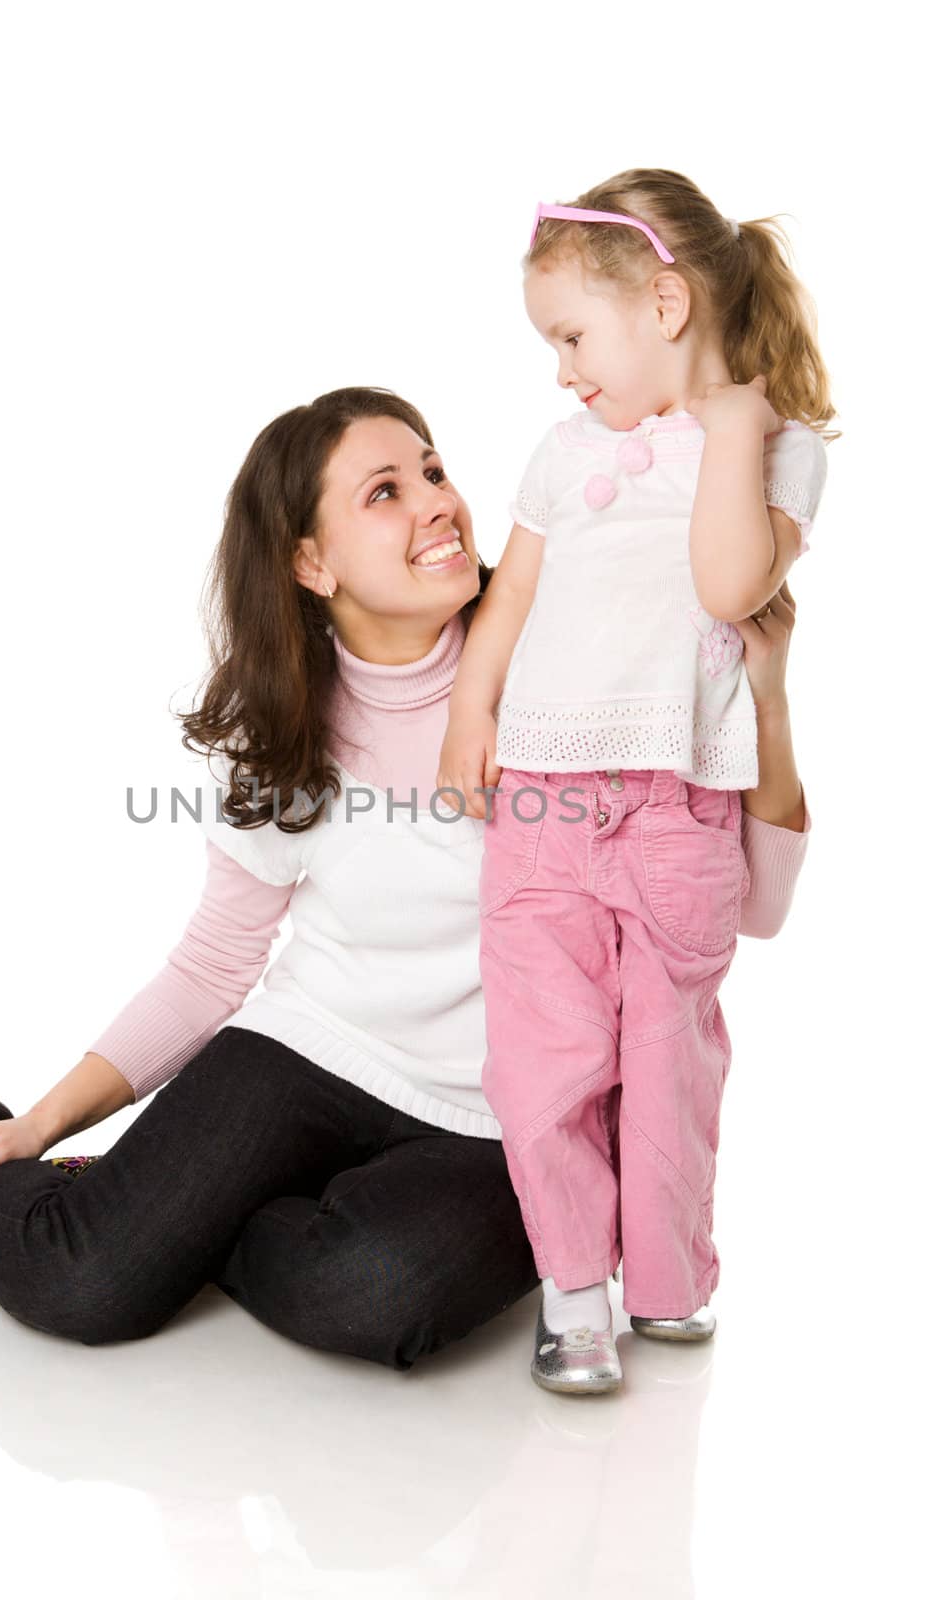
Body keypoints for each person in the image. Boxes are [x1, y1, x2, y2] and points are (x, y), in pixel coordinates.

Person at [0, 385, 814, 1374]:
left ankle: (179, 1212)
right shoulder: (282, 729)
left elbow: (751, 909)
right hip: (308, 1053)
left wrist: (764, 703)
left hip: (504, 1116)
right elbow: (212, 965)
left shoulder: (578, 664)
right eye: (385, 491)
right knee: (88, 1284)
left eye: (434, 470)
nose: (437, 502)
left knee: (378, 1291)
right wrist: (37, 1123)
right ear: (310, 562)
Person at [438, 169, 835, 1393]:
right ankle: (573, 1293)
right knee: (544, 1063)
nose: (563, 370)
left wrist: (728, 427)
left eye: (571, 336)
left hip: (678, 811)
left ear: (665, 304)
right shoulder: (563, 454)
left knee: (670, 1066)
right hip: (544, 811)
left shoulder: (781, 448)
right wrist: (469, 708)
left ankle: (666, 1282)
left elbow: (729, 587)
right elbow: (511, 591)